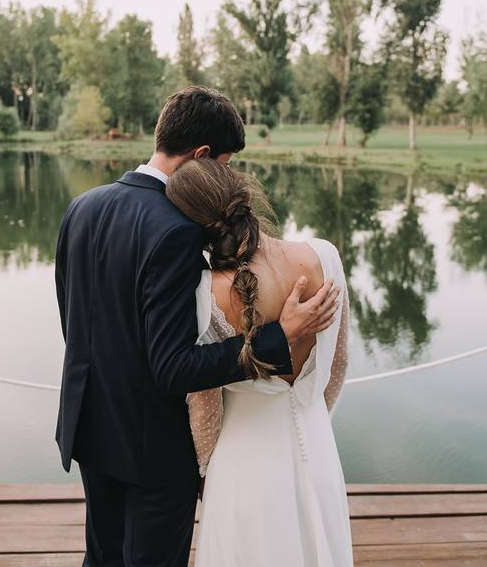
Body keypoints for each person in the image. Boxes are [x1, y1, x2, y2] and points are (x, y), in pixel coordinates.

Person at [55, 86, 341, 567]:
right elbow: (172, 367)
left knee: (101, 559)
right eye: (225, 165)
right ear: (203, 156)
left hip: (88, 427)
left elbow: (73, 322)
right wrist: (280, 337)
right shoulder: (177, 229)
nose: (225, 177)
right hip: (152, 450)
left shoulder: (82, 207)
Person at [166, 158, 354, 566]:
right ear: (247, 196)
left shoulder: (203, 295)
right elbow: (338, 365)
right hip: (319, 453)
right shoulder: (325, 257)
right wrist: (310, 418)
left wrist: (204, 473)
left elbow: (204, 405)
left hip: (243, 471)